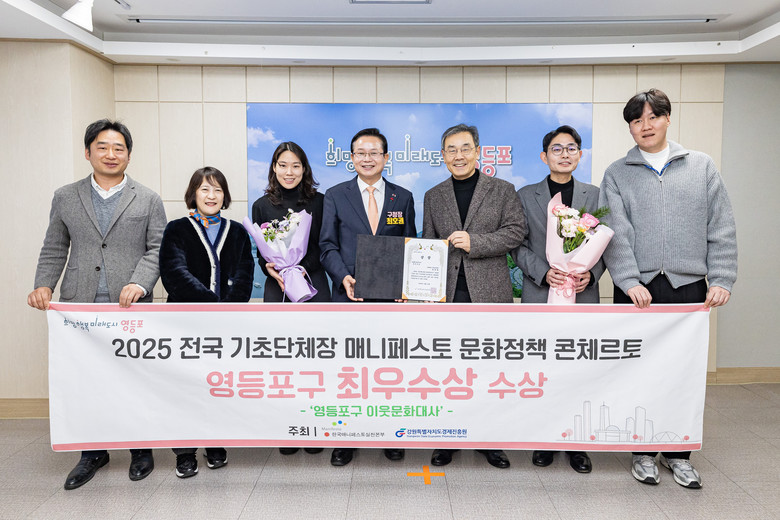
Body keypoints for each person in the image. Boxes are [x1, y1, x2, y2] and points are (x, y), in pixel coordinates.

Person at [600, 88, 738, 489]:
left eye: (653, 117)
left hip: (688, 287)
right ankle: (642, 452)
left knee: (683, 373)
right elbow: (615, 231)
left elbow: (721, 225)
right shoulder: (617, 172)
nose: (645, 126)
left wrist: (722, 278)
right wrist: (628, 280)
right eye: (637, 120)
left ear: (667, 119)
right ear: (630, 127)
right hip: (638, 290)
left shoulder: (701, 166)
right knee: (637, 372)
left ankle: (679, 455)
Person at [27, 119, 166, 490]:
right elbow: (55, 245)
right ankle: (93, 452)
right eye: (102, 147)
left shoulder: (148, 198)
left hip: (131, 306)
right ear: (87, 152)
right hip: (80, 305)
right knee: (86, 380)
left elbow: (158, 248)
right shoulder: (65, 196)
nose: (111, 154)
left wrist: (139, 282)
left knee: (135, 378)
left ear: (129, 155)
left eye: (119, 148)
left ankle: (140, 450)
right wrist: (43, 284)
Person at [422, 123, 527, 469]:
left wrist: (475, 242)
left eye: (465, 148)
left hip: (490, 295)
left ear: (478, 152)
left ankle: (490, 439)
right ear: (443, 156)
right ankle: (447, 438)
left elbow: (516, 232)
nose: (459, 156)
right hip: (447, 297)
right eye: (451, 150)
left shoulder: (502, 190)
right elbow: (429, 244)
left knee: (488, 371)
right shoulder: (433, 195)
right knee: (448, 372)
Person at [320, 127, 416, 466]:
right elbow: (327, 245)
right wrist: (343, 277)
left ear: (386, 158)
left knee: (389, 370)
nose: (367, 158)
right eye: (361, 153)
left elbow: (410, 245)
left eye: (374, 153)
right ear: (351, 158)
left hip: (391, 301)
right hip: (349, 296)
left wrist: (407, 286)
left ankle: (390, 434)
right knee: (349, 371)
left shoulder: (403, 197)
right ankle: (345, 438)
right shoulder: (335, 195)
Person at [512, 124, 602, 474]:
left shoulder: (595, 195)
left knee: (579, 369)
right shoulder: (525, 195)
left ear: (580, 154)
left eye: (571, 148)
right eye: (557, 149)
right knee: (543, 369)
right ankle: (545, 439)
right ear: (543, 156)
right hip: (541, 292)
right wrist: (543, 271)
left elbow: (609, 241)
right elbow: (517, 244)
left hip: (581, 293)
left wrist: (591, 273)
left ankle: (577, 443)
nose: (564, 154)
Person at [159, 166, 254, 478]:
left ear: (225, 196)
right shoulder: (176, 229)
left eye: (218, 190)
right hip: (184, 324)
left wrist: (228, 310)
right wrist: (213, 305)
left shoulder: (237, 232)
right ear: (193, 194)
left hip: (225, 327)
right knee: (183, 386)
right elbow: (174, 273)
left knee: (217, 384)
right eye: (205, 189)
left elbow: (245, 274)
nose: (211, 196)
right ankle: (185, 452)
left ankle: (215, 443)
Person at [252, 142, 329, 456]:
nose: (289, 172)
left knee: (316, 358)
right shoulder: (261, 205)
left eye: (296, 166)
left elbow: (323, 245)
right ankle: (288, 427)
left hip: (312, 283)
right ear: (274, 167)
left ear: (304, 168)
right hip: (278, 286)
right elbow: (261, 252)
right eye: (283, 165)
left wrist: (299, 268)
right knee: (283, 359)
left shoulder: (320, 202)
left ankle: (314, 428)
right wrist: (272, 269)